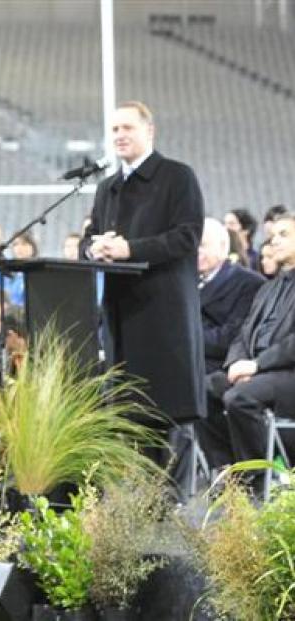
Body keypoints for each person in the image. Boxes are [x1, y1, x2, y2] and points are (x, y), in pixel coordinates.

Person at [82, 101, 206, 432]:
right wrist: (94, 249)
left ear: (149, 131)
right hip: (119, 313)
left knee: (164, 420)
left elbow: (187, 236)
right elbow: (88, 236)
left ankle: (169, 487)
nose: (119, 135)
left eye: (127, 128)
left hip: (162, 313)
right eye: (114, 129)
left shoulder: (178, 176)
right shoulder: (107, 187)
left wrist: (129, 249)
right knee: (126, 418)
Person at [198, 215, 295, 477]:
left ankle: (262, 475)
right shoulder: (268, 288)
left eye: (284, 234)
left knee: (239, 398)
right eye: (273, 235)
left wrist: (257, 365)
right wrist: (235, 366)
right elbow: (243, 335)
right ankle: (228, 470)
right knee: (205, 390)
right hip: (259, 373)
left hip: (287, 373)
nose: (274, 240)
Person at [198, 218, 265, 373]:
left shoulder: (249, 283)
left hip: (217, 364)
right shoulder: (188, 281)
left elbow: (233, 337)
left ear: (223, 248)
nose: (196, 251)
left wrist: (185, 337)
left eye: (202, 245)